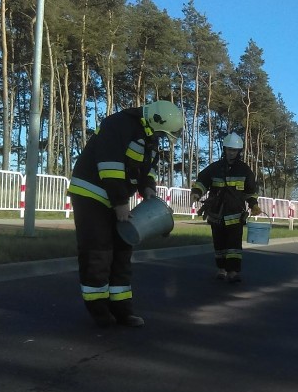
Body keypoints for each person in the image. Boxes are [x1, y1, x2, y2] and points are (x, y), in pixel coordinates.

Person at [67, 100, 184, 328]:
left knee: (122, 251)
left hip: (114, 197)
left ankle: (122, 309)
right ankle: (99, 309)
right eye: (161, 133)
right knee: (98, 252)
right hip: (91, 195)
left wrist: (148, 188)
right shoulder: (118, 124)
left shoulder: (148, 136)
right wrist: (121, 203)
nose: (160, 138)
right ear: (154, 121)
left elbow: (144, 170)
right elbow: (110, 166)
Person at [190, 132, 262, 283]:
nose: (231, 152)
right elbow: (202, 181)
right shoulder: (214, 168)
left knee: (234, 245)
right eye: (229, 149)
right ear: (224, 149)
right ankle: (221, 270)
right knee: (219, 244)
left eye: (234, 150)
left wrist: (254, 205)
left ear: (239, 152)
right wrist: (196, 192)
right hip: (216, 214)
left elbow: (250, 191)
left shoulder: (244, 170)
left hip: (235, 215)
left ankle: (233, 272)